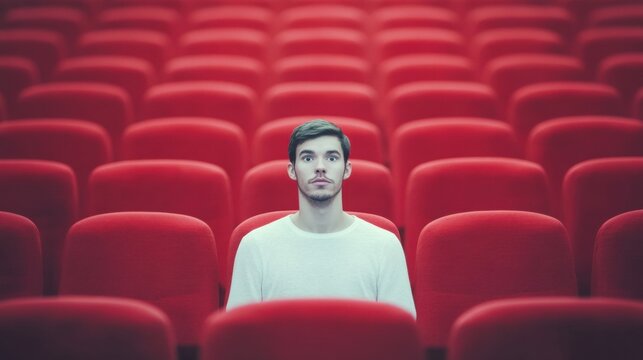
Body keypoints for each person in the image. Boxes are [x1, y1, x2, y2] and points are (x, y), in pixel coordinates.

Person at [226, 119, 415, 317]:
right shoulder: (255, 245)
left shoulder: (385, 245)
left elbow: (398, 336)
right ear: (292, 170)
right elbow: (239, 337)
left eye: (332, 158)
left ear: (347, 169)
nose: (320, 167)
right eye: (308, 158)